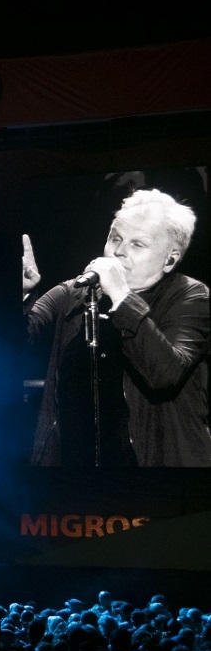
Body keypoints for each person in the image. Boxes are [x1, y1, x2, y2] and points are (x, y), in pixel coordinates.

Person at [23, 188, 211, 466]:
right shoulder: (74, 292)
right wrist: (20, 294)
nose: (119, 251)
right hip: (77, 468)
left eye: (138, 244)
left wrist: (121, 296)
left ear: (170, 259)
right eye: (116, 238)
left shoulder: (191, 296)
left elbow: (165, 374)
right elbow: (12, 340)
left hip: (159, 471)